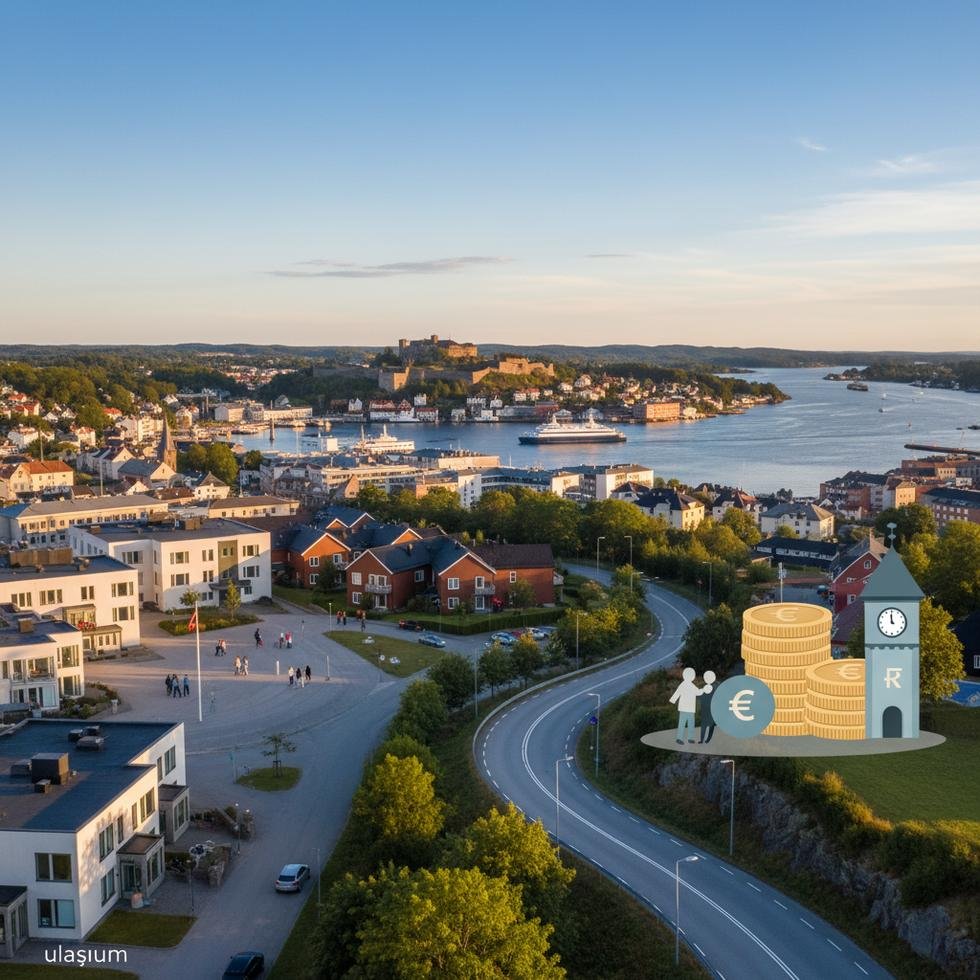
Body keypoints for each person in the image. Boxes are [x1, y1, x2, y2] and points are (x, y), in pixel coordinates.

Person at [669, 668, 704, 745]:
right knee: (690, 723)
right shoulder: (691, 685)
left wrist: (672, 700)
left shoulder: (683, 685)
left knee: (682, 723)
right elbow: (698, 693)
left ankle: (680, 738)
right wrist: (703, 690)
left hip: (683, 708)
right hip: (690, 709)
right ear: (692, 676)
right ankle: (690, 738)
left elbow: (677, 693)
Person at [699, 671, 717, 744]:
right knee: (707, 725)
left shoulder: (713, 687)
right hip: (707, 710)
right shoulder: (706, 687)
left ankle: (706, 739)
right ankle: (705, 739)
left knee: (708, 725)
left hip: (709, 709)